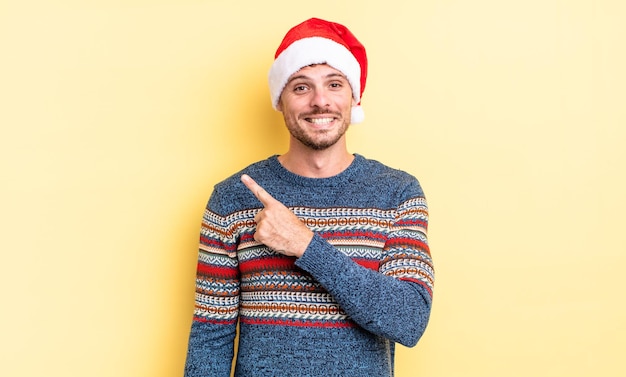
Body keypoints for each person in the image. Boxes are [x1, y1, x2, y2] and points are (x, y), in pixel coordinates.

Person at [184, 18, 434, 377]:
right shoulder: (232, 198)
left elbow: (408, 321)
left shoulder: (397, 193)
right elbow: (210, 337)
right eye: (301, 87)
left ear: (353, 96)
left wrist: (306, 245)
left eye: (334, 84)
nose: (320, 102)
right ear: (280, 101)